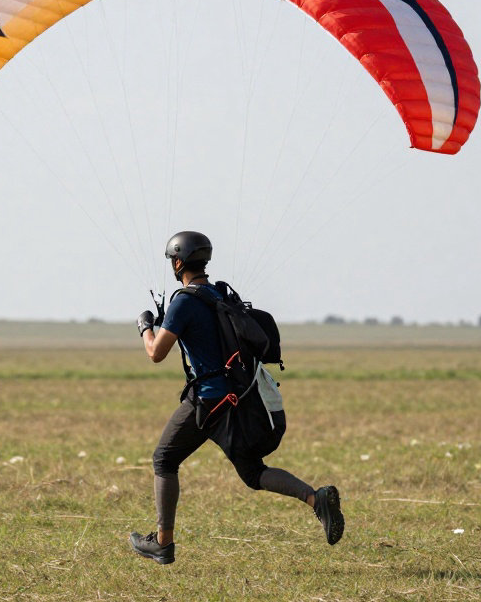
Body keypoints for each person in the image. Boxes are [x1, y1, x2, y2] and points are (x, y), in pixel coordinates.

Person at [128, 230, 344, 564]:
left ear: (179, 263)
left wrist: (145, 327)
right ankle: (317, 499)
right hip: (236, 396)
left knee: (164, 460)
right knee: (253, 473)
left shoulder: (183, 301)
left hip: (208, 401)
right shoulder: (218, 294)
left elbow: (156, 353)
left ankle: (162, 543)